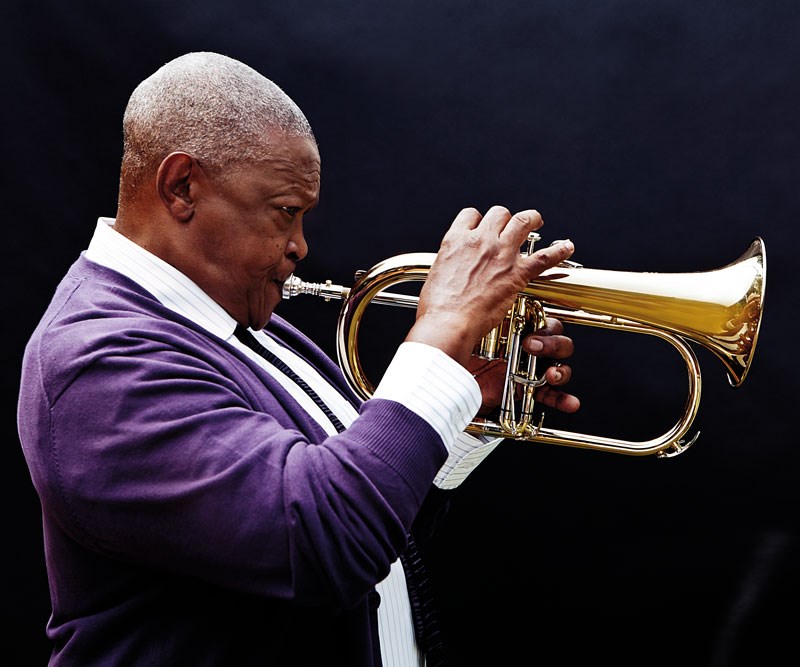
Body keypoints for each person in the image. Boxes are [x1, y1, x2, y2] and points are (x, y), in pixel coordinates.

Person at [17, 51, 580, 666]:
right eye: (286, 212)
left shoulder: (240, 325)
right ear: (182, 187)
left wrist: (461, 402)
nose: (300, 246)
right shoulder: (97, 361)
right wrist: (441, 331)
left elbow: (376, 532)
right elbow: (323, 543)